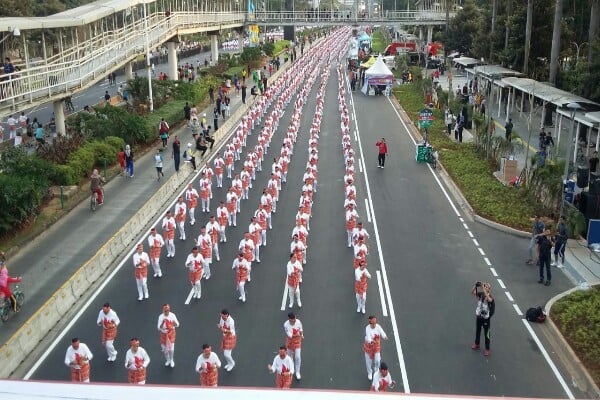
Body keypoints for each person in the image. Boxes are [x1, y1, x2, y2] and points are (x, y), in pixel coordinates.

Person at [471, 281, 495, 356]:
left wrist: (482, 287)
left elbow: (489, 300)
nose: (484, 287)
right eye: (485, 286)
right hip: (479, 316)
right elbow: (472, 292)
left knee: (486, 334)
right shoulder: (481, 295)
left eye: (486, 286)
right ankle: (477, 343)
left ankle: (487, 349)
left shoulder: (490, 297)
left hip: (486, 318)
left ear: (489, 289)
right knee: (478, 331)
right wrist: (475, 285)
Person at [364, 315, 388, 380]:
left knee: (377, 360)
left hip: (376, 346)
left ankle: (376, 369)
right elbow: (368, 337)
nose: (375, 325)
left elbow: (381, 331)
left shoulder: (378, 326)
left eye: (375, 323)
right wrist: (371, 341)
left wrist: (384, 336)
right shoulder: (367, 328)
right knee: (368, 361)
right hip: (369, 347)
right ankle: (370, 372)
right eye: (373, 323)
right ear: (370, 323)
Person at [284, 312, 304, 380]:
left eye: (295, 318)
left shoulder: (298, 321)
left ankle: (297, 372)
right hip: (290, 342)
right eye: (293, 319)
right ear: (289, 319)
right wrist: (297, 335)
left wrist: (301, 335)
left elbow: (301, 329)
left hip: (297, 341)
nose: (295, 320)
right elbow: (289, 335)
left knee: (297, 357)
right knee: (290, 357)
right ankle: (291, 370)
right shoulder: (286, 325)